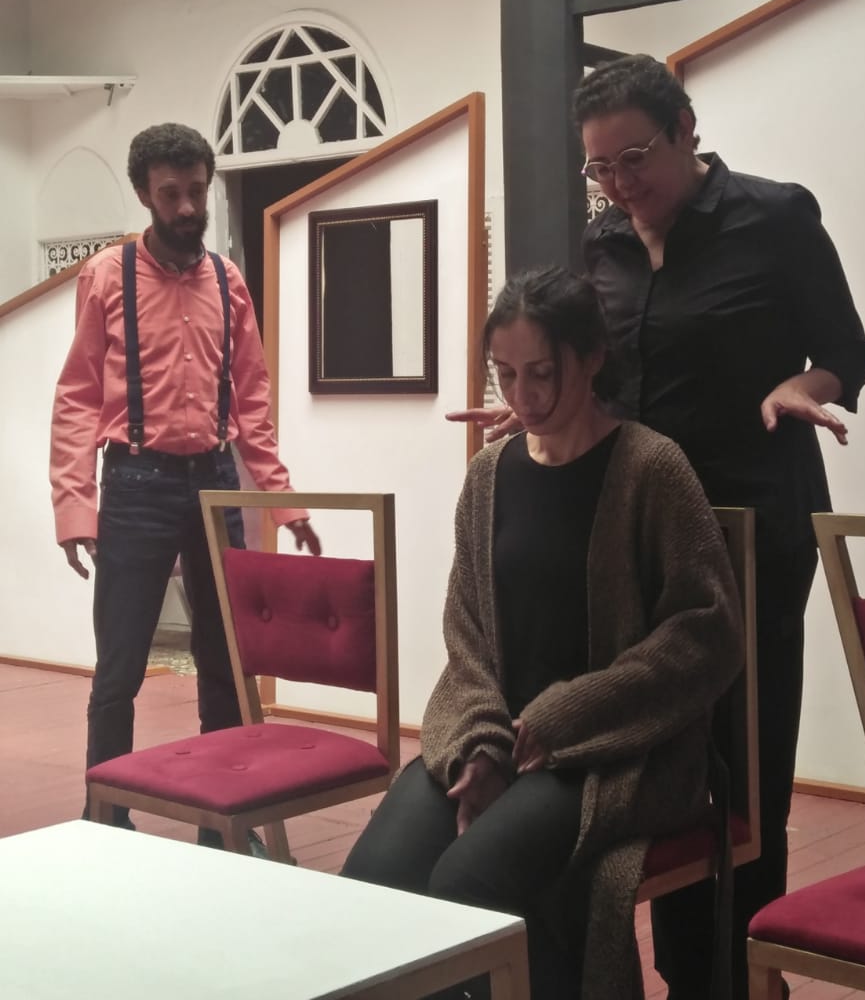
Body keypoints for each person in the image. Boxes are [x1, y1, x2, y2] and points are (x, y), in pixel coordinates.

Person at [451, 55, 865, 999]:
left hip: (748, 529)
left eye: (635, 159)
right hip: (631, 532)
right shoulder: (604, 242)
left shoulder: (775, 217)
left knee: (743, 768)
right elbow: (599, 373)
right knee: (647, 747)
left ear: (686, 130)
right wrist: (538, 404)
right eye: (599, 168)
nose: (618, 184)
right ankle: (647, 955)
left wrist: (799, 384)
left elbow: (849, 349)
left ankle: (730, 976)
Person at [343, 266, 744, 1000]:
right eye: (505, 374)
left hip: (613, 755)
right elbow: (466, 630)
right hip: (502, 738)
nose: (521, 397)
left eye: (541, 374)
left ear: (591, 359)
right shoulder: (489, 474)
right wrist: (481, 743)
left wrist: (566, 714)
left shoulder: (651, 468)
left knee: (467, 884)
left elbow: (707, 635)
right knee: (374, 881)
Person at [50, 122, 321, 846]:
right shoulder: (106, 276)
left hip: (215, 481)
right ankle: (106, 819)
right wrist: (75, 506)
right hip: (135, 482)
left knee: (226, 660)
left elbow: (252, 400)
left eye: (196, 191)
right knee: (121, 664)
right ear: (144, 195)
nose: (187, 207)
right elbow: (77, 396)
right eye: (170, 194)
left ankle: (223, 820)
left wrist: (281, 499)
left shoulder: (228, 281)